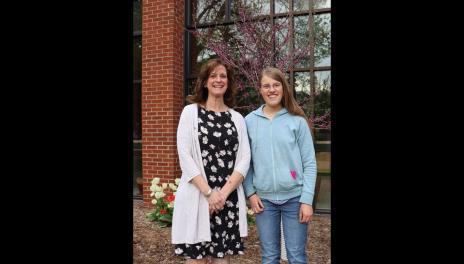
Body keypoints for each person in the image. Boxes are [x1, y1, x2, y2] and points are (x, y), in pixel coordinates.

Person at [172, 58, 251, 264]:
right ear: (205, 82)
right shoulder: (190, 113)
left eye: (223, 76)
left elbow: (244, 159)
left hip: (227, 199)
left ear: (228, 82)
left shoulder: (237, 119)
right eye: (213, 75)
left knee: (221, 259)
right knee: (196, 259)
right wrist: (209, 193)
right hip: (198, 196)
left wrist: (221, 195)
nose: (218, 80)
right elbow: (185, 155)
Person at [243, 67, 317, 264]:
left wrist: (307, 200)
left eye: (276, 85)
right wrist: (250, 192)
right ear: (260, 90)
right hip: (264, 202)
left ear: (283, 88)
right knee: (269, 257)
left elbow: (309, 163)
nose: (271, 90)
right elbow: (245, 162)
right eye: (266, 86)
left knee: (296, 257)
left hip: (295, 198)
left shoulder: (297, 121)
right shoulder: (249, 121)